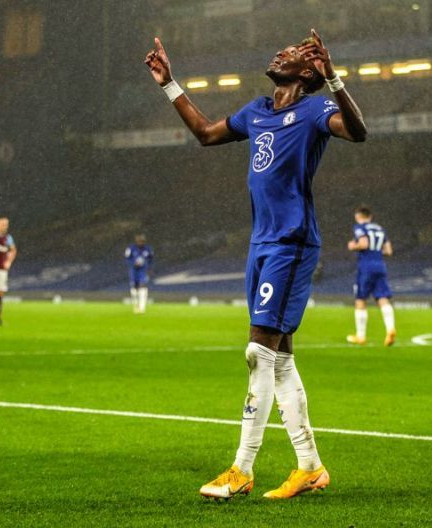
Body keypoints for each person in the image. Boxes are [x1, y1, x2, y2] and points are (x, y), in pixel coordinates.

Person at [145, 28, 366, 500]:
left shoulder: (314, 109)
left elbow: (359, 132)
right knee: (280, 359)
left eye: (290, 52)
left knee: (258, 352)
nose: (280, 52)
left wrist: (335, 80)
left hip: (291, 242)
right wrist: (170, 83)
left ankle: (241, 469)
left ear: (307, 71)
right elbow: (206, 134)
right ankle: (309, 467)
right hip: (261, 244)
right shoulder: (258, 112)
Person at [345, 206, 396, 346]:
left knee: (360, 299)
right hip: (380, 265)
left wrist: (352, 246)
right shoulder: (380, 229)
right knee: (383, 298)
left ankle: (360, 336)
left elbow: (363, 243)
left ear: (359, 216)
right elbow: (388, 251)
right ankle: (390, 329)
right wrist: (376, 252)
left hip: (366, 266)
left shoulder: (359, 227)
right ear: (370, 216)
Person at [124, 234, 154, 314]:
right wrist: (133, 264)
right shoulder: (131, 248)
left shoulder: (148, 249)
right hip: (134, 271)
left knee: (143, 286)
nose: (140, 242)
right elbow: (127, 259)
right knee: (134, 288)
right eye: (139, 241)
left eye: (142, 241)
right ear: (136, 241)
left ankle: (142, 307)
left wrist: (148, 267)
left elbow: (151, 259)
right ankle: (136, 305)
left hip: (143, 271)